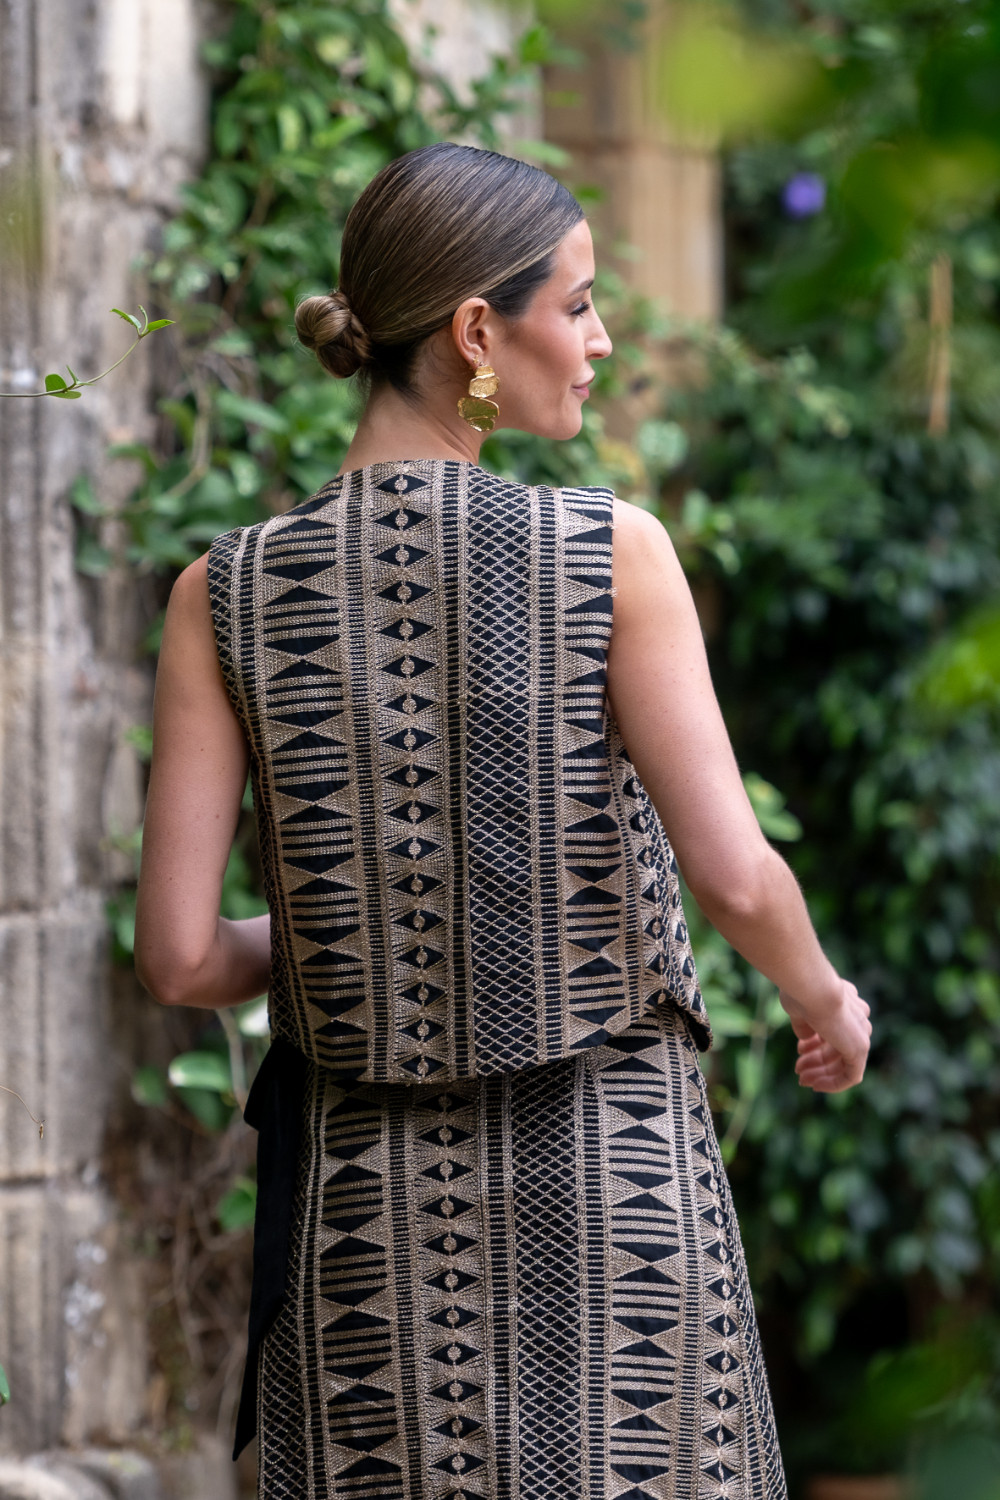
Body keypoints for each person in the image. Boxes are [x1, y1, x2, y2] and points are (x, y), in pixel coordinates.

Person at [134, 142, 871, 1500]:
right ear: (478, 332)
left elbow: (180, 959)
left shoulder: (218, 594)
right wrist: (825, 1001)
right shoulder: (610, 554)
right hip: (612, 1196)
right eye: (577, 305)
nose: (599, 340)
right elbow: (736, 877)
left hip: (366, 1233)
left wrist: (367, 934)